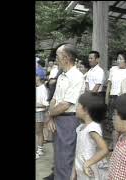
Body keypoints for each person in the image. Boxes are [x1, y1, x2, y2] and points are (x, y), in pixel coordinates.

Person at [46, 43, 85, 180]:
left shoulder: (77, 77)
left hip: (69, 119)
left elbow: (65, 104)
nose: (56, 59)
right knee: (58, 154)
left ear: (66, 58)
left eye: (57, 56)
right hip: (58, 118)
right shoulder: (63, 75)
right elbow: (54, 100)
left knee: (66, 156)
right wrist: (50, 118)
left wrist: (49, 115)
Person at [71, 92, 109, 180]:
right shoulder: (81, 127)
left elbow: (104, 149)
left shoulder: (92, 128)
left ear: (86, 110)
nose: (76, 108)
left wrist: (88, 163)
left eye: (78, 105)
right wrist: (74, 171)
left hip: (89, 171)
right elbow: (78, 151)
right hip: (81, 169)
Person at [105, 51, 126, 143]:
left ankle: (122, 143)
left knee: (123, 122)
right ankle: (114, 143)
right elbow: (109, 84)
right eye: (118, 58)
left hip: (124, 98)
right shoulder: (113, 69)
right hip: (113, 97)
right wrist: (106, 97)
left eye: (121, 59)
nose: (118, 61)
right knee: (113, 122)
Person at [36, 74, 49, 159]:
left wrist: (37, 106)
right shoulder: (38, 88)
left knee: (39, 132)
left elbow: (46, 104)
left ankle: (39, 150)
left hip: (39, 112)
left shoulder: (43, 89)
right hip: (37, 111)